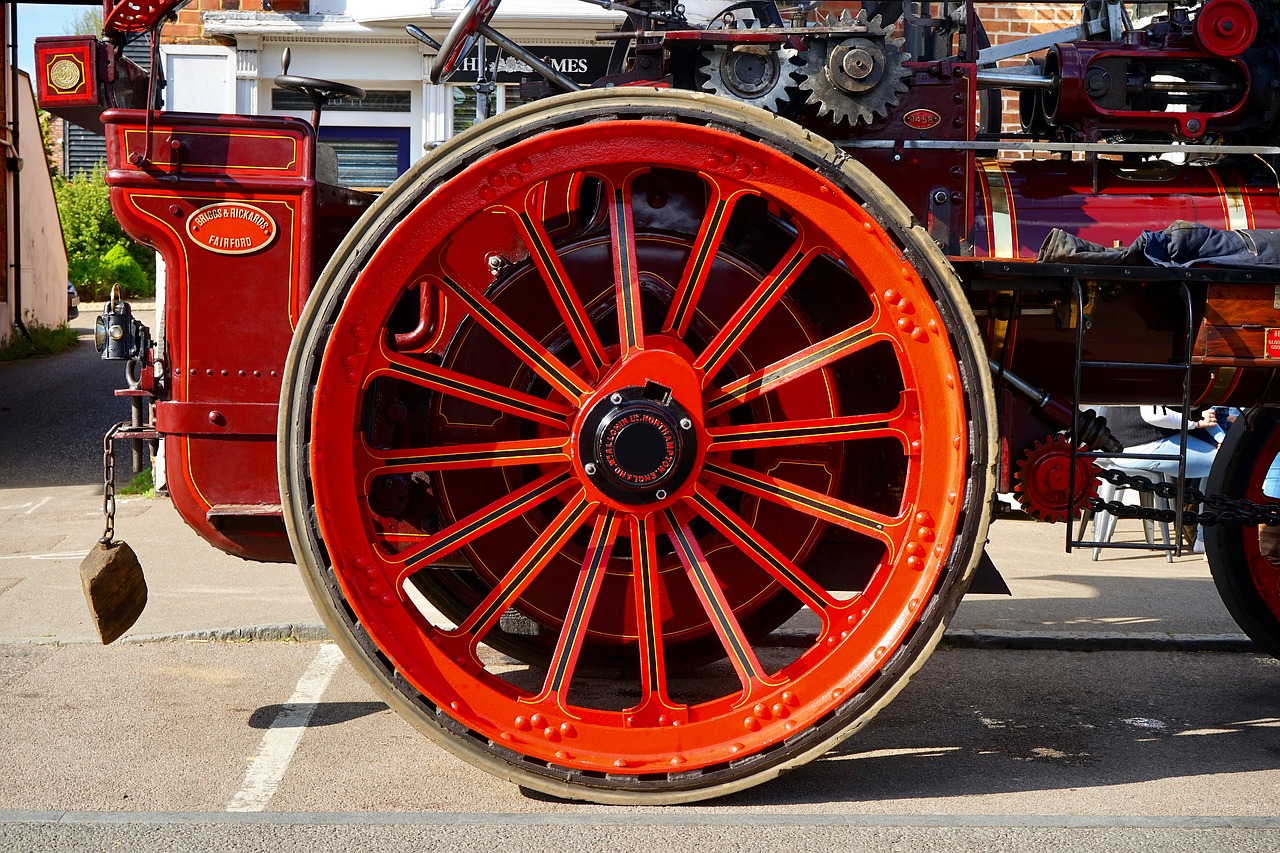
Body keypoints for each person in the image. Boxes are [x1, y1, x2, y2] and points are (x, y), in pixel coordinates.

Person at [1098, 405, 1219, 552]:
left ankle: (1203, 538)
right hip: (1141, 444)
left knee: (1219, 457)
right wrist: (1194, 422)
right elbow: (1154, 415)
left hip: (1117, 444)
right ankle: (1204, 540)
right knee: (1221, 462)